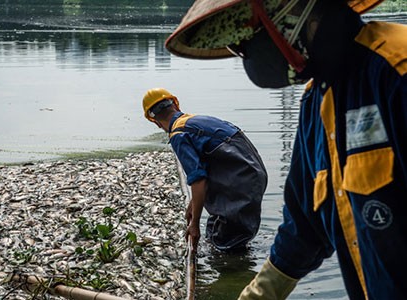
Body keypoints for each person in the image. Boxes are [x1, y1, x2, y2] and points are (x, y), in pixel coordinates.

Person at [164, 0, 407, 298]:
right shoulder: (316, 103)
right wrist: (260, 292)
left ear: (291, 11)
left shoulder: (397, 70)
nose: (248, 54)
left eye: (247, 37)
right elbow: (304, 227)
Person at [142, 87, 268, 253]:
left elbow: (199, 180)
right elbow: (208, 166)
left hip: (240, 180)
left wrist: (194, 225)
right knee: (220, 230)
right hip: (252, 172)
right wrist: (193, 205)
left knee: (229, 245)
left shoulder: (178, 134)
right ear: (175, 105)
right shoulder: (195, 120)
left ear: (155, 121)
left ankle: (234, 271)